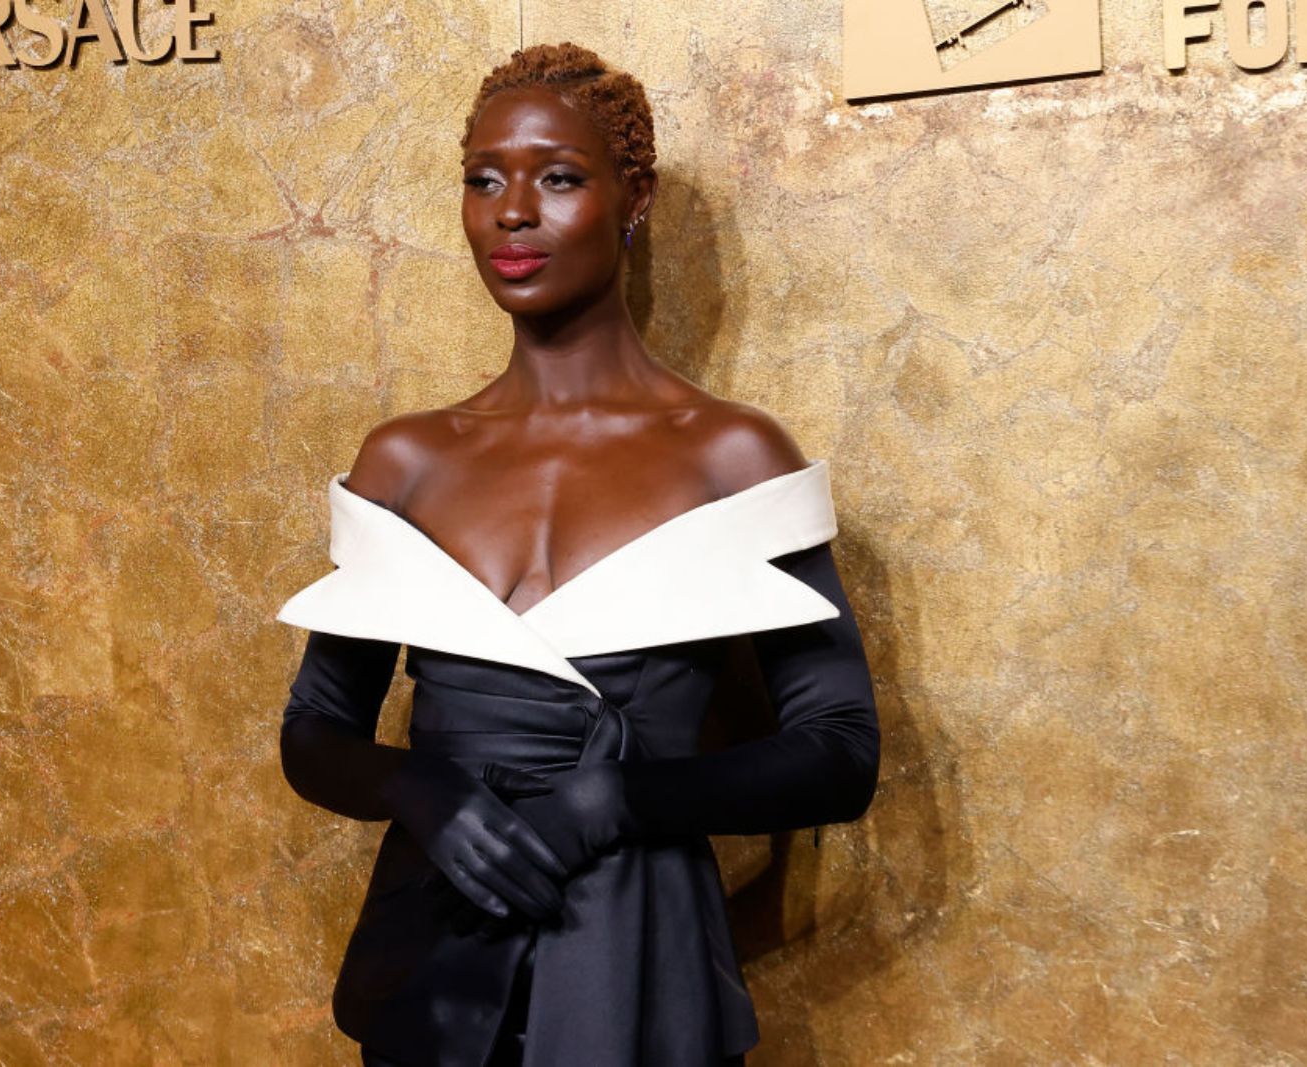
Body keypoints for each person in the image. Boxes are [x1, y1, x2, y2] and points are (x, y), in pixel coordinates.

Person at [274, 42, 880, 1067]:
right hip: (432, 964)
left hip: (639, 971)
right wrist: (421, 789)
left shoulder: (730, 453)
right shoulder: (406, 458)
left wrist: (616, 799)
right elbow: (314, 733)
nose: (513, 211)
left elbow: (837, 751)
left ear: (631, 198)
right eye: (483, 179)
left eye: (557, 177)